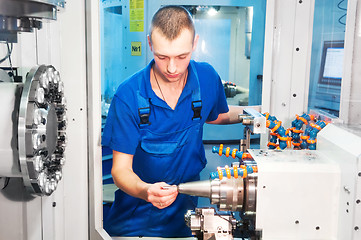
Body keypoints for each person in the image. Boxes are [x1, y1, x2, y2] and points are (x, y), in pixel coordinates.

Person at [102, 5, 259, 238]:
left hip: (187, 217)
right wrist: (146, 191)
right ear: (150, 44)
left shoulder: (206, 77)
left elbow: (217, 115)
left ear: (195, 44)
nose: (172, 67)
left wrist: (259, 112)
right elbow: (120, 170)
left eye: (182, 56)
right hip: (136, 222)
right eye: (162, 56)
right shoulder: (129, 95)